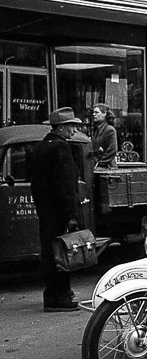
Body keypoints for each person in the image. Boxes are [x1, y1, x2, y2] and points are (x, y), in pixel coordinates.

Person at [31, 108, 83, 312]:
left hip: (46, 211)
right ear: (61, 127)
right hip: (60, 212)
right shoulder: (61, 147)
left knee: (49, 252)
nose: (74, 130)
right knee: (63, 255)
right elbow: (65, 185)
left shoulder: (41, 146)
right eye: (71, 126)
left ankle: (52, 294)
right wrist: (71, 215)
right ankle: (61, 296)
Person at [91, 103, 118, 168]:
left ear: (104, 114)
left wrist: (100, 163)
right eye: (93, 112)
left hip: (107, 168)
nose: (94, 114)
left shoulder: (109, 130)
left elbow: (112, 150)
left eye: (96, 112)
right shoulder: (97, 130)